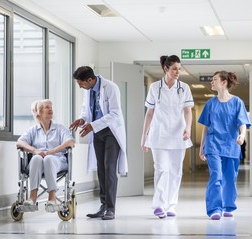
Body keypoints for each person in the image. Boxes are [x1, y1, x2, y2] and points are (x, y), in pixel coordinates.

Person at [69, 66, 128, 220]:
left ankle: (111, 208)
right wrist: (82, 119)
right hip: (97, 132)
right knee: (101, 170)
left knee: (109, 169)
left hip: (111, 132)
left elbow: (115, 113)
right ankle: (103, 206)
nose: (80, 86)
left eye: (81, 83)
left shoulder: (111, 88)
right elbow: (86, 109)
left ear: (90, 79)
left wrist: (92, 125)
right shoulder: (87, 90)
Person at [141, 55, 194, 219]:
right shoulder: (155, 87)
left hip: (179, 135)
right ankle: (159, 205)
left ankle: (171, 205)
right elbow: (149, 113)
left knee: (176, 172)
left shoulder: (183, 87)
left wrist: (188, 129)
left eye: (179, 68)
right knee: (162, 169)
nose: (178, 71)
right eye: (174, 69)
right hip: (158, 135)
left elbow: (187, 110)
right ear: (166, 69)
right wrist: (144, 136)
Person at [198, 71, 251, 220]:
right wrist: (202, 146)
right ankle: (214, 209)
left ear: (224, 82)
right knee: (216, 175)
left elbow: (242, 124)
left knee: (229, 178)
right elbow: (205, 127)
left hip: (231, 145)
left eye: (214, 79)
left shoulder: (237, 102)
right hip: (213, 145)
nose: (212, 82)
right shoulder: (210, 103)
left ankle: (228, 206)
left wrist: (242, 136)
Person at [17, 99, 75, 206]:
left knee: (48, 158)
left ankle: (52, 198)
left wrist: (53, 151)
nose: (50, 109)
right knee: (36, 158)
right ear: (38, 112)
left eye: (51, 107)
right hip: (37, 164)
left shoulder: (59, 128)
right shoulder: (33, 130)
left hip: (57, 162)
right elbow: (19, 142)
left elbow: (70, 142)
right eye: (46, 107)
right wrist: (35, 150)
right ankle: (32, 197)